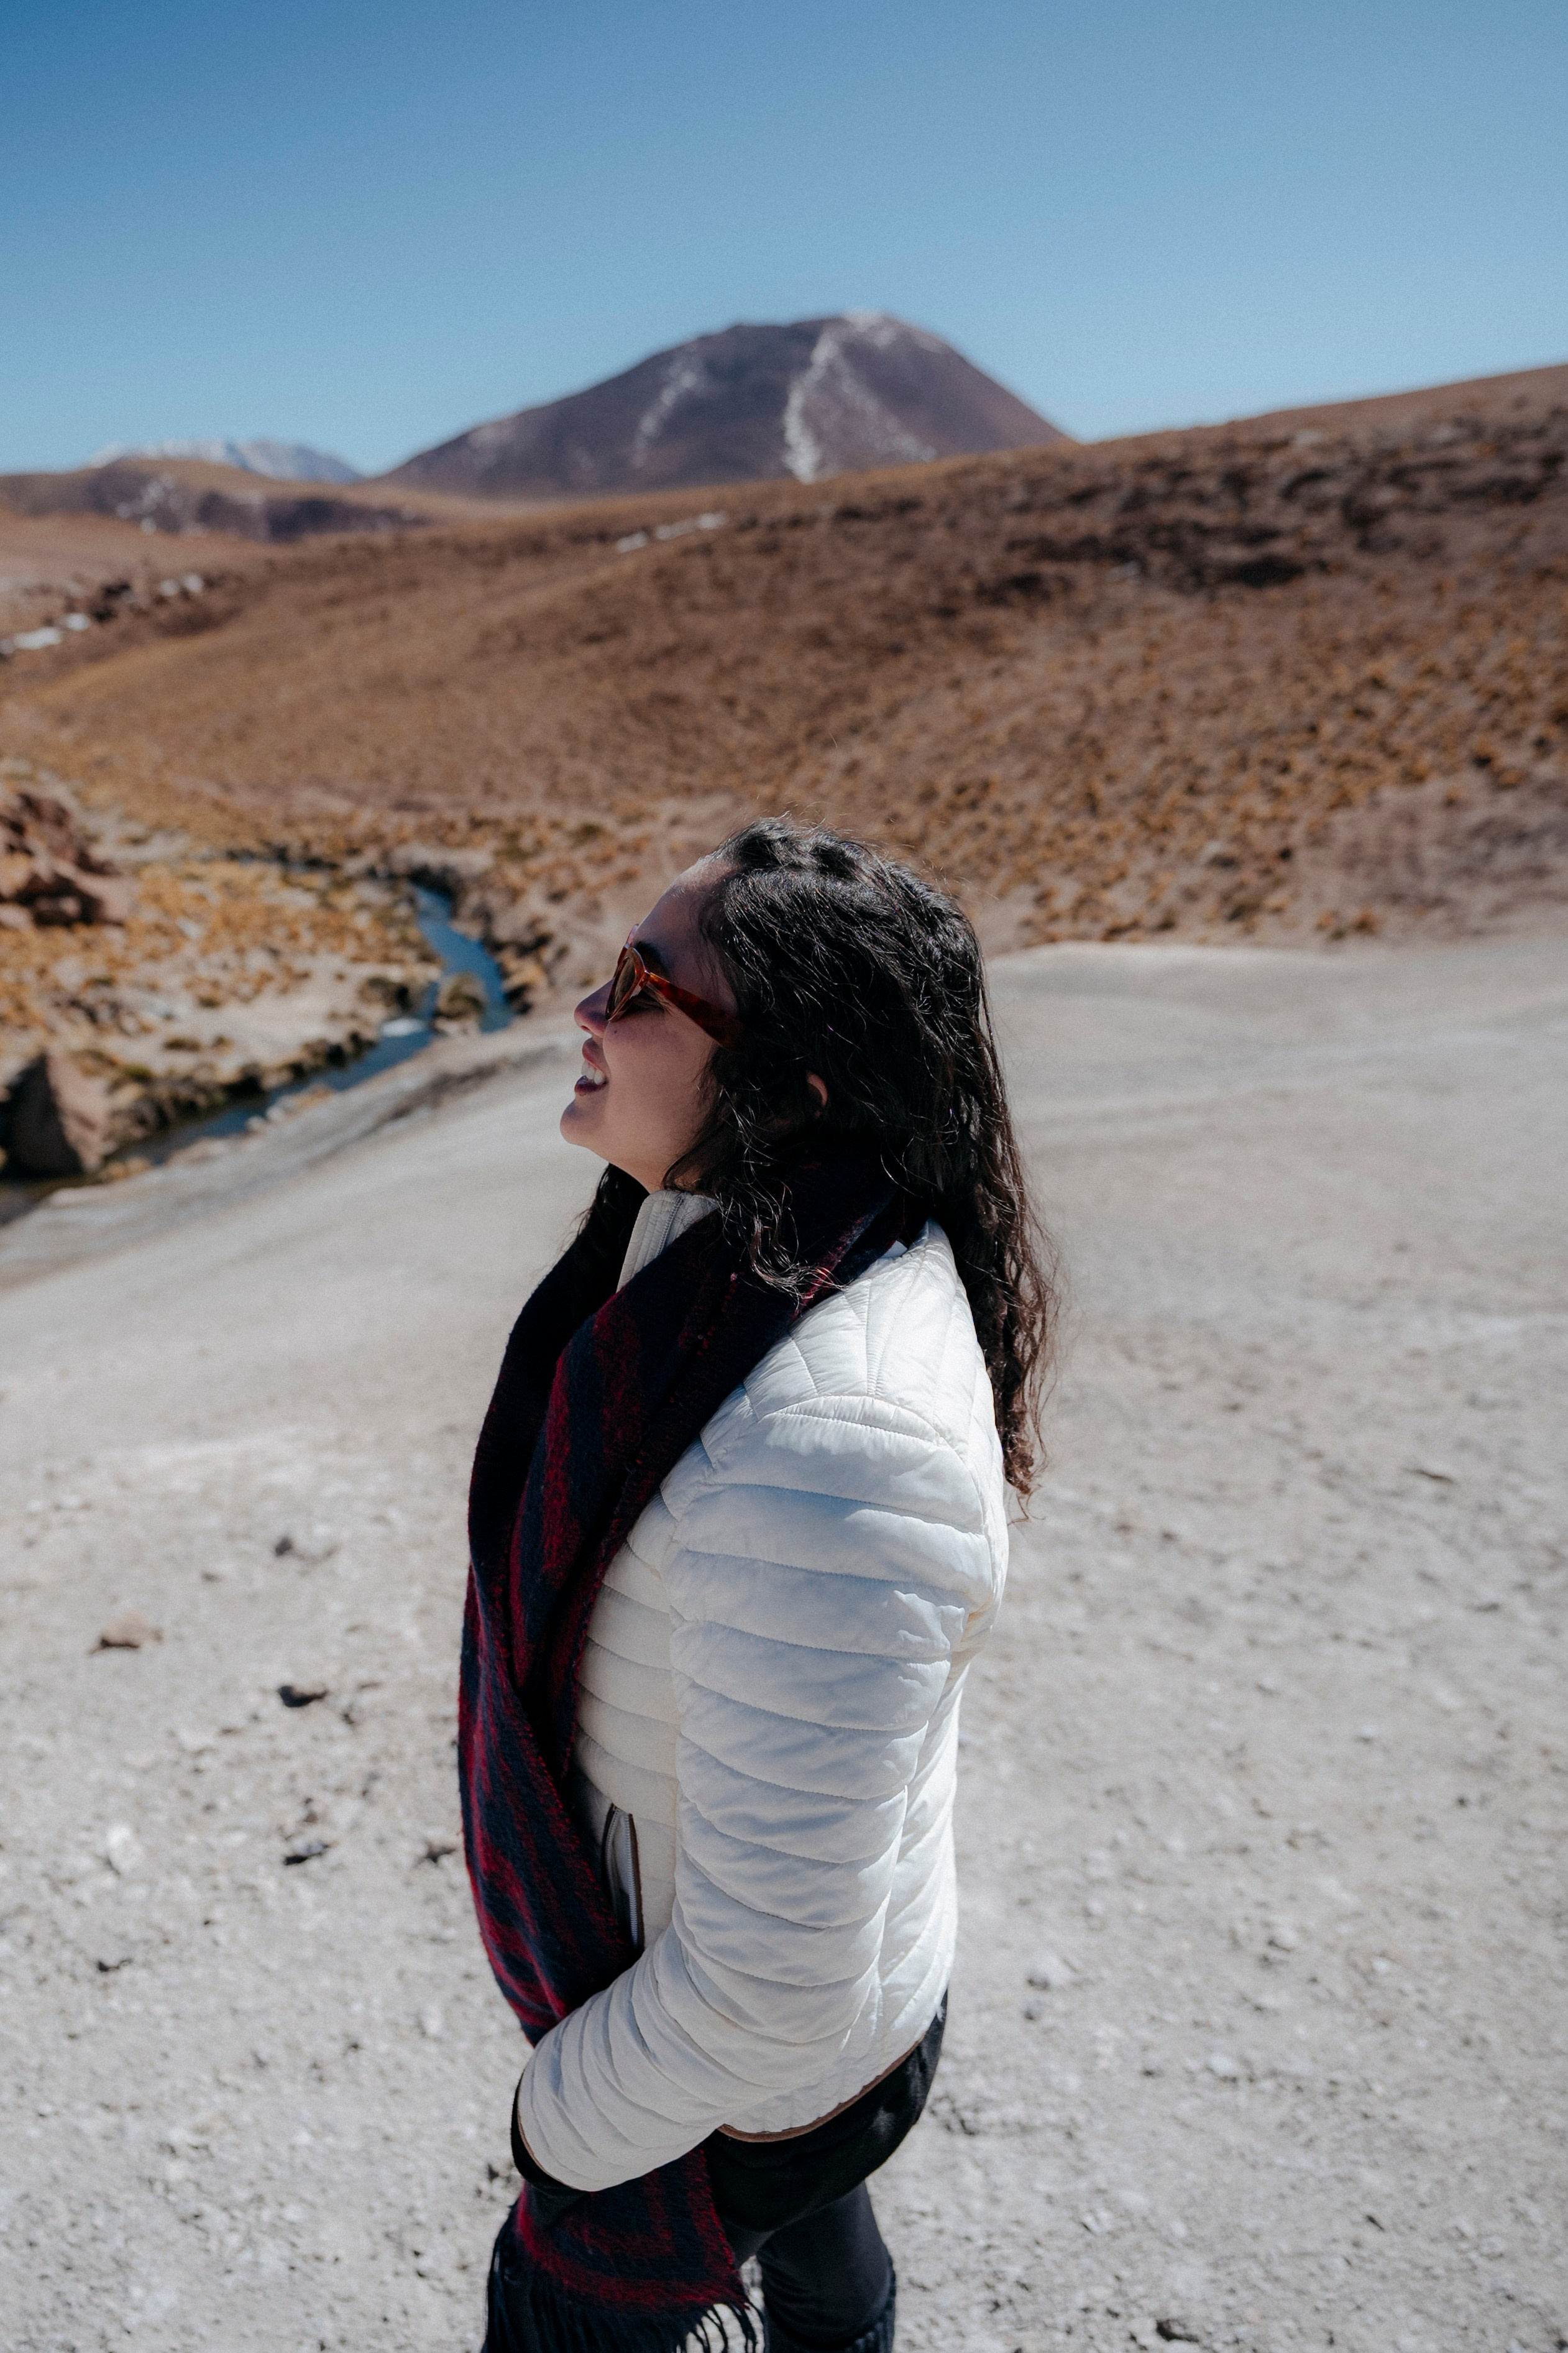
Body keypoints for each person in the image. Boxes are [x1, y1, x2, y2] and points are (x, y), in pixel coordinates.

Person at [461, 818, 1054, 2353]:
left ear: (794, 1087)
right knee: (819, 2236)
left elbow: (771, 1986)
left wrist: (554, 2130)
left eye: (640, 989)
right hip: (805, 2038)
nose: (586, 1011)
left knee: (587, 2289)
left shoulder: (829, 1439)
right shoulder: (749, 1248)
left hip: (748, 2070)